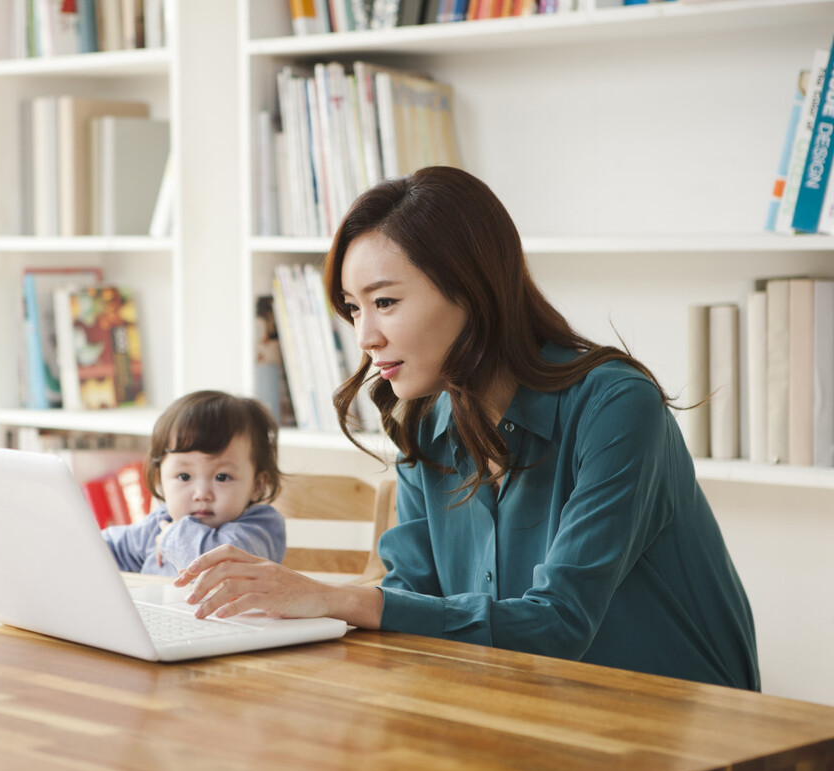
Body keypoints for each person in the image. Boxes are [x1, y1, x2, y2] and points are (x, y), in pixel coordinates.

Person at [175, 166, 760, 691]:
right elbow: (413, 603)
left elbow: (558, 624)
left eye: (384, 302)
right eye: (355, 309)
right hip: (524, 710)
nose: (365, 337)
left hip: (686, 736)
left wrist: (337, 598)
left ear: (471, 290)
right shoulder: (425, 421)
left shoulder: (616, 404)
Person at [102, 390, 286, 577]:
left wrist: (170, 537)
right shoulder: (161, 522)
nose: (201, 494)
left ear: (257, 486)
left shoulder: (260, 527)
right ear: (160, 480)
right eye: (184, 476)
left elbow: (219, 564)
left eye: (221, 477)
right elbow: (108, 549)